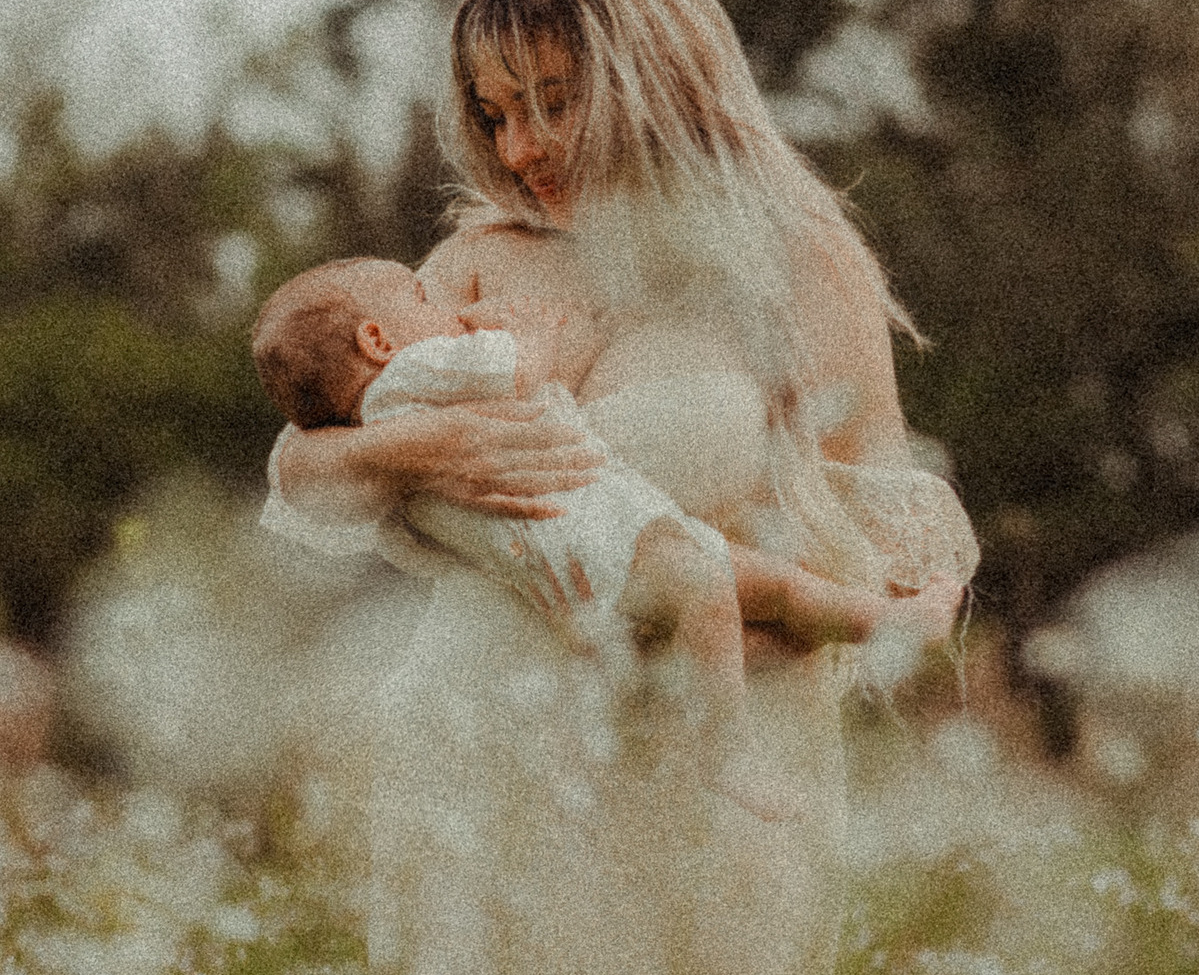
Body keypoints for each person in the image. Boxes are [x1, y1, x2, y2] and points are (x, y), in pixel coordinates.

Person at [264, 0, 978, 975]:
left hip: (717, 777)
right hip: (483, 762)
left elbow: (886, 528)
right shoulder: (468, 267)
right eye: (494, 109)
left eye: (554, 99)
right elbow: (304, 465)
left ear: (654, 72)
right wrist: (402, 461)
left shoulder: (797, 264)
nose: (521, 145)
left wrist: (810, 601)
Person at [253, 255, 962, 821]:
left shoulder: (384, 401)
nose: (444, 307)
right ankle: (728, 748)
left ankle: (894, 625)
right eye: (422, 296)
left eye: (552, 105)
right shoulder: (416, 376)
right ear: (378, 341)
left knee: (764, 592)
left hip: (602, 554)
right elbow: (511, 373)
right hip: (608, 545)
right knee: (736, 590)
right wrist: (528, 329)